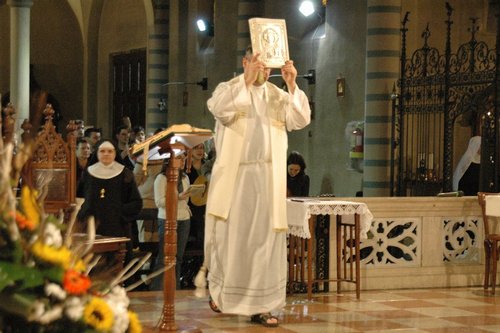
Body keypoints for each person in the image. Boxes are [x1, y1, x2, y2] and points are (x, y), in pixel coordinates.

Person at [204, 46, 311, 327]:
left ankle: (262, 306)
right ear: (246, 61)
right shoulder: (229, 89)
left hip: (269, 179)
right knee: (233, 239)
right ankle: (223, 294)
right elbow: (219, 109)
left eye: (268, 67)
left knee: (265, 243)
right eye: (258, 64)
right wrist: (246, 81)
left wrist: (291, 83)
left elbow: (300, 119)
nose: (264, 71)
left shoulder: (277, 95)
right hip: (236, 180)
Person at [76, 139, 142, 264]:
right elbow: (79, 198)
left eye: (110, 151)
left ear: (115, 154)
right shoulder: (88, 173)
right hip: (92, 227)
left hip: (117, 228)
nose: (106, 154)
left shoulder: (125, 173)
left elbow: (136, 202)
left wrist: (118, 212)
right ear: (97, 154)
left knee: (116, 264)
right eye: (102, 151)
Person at [151, 153, 191, 290]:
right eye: (179, 158)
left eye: (184, 158)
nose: (183, 161)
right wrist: (178, 197)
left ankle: (175, 288)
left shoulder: (185, 177)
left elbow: (186, 199)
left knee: (178, 257)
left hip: (184, 218)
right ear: (170, 161)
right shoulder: (161, 178)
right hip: (167, 218)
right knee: (165, 256)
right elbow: (159, 202)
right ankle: (158, 288)